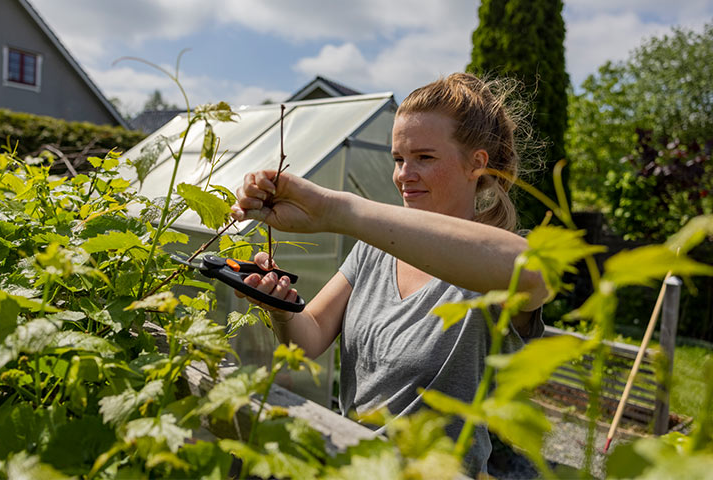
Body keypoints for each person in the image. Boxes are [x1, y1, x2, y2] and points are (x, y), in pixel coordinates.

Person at [230, 73, 548, 476]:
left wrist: (338, 211)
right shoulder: (375, 248)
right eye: (398, 159)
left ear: (477, 164)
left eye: (424, 158)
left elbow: (530, 271)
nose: (403, 174)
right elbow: (309, 339)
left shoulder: (490, 261)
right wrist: (280, 308)